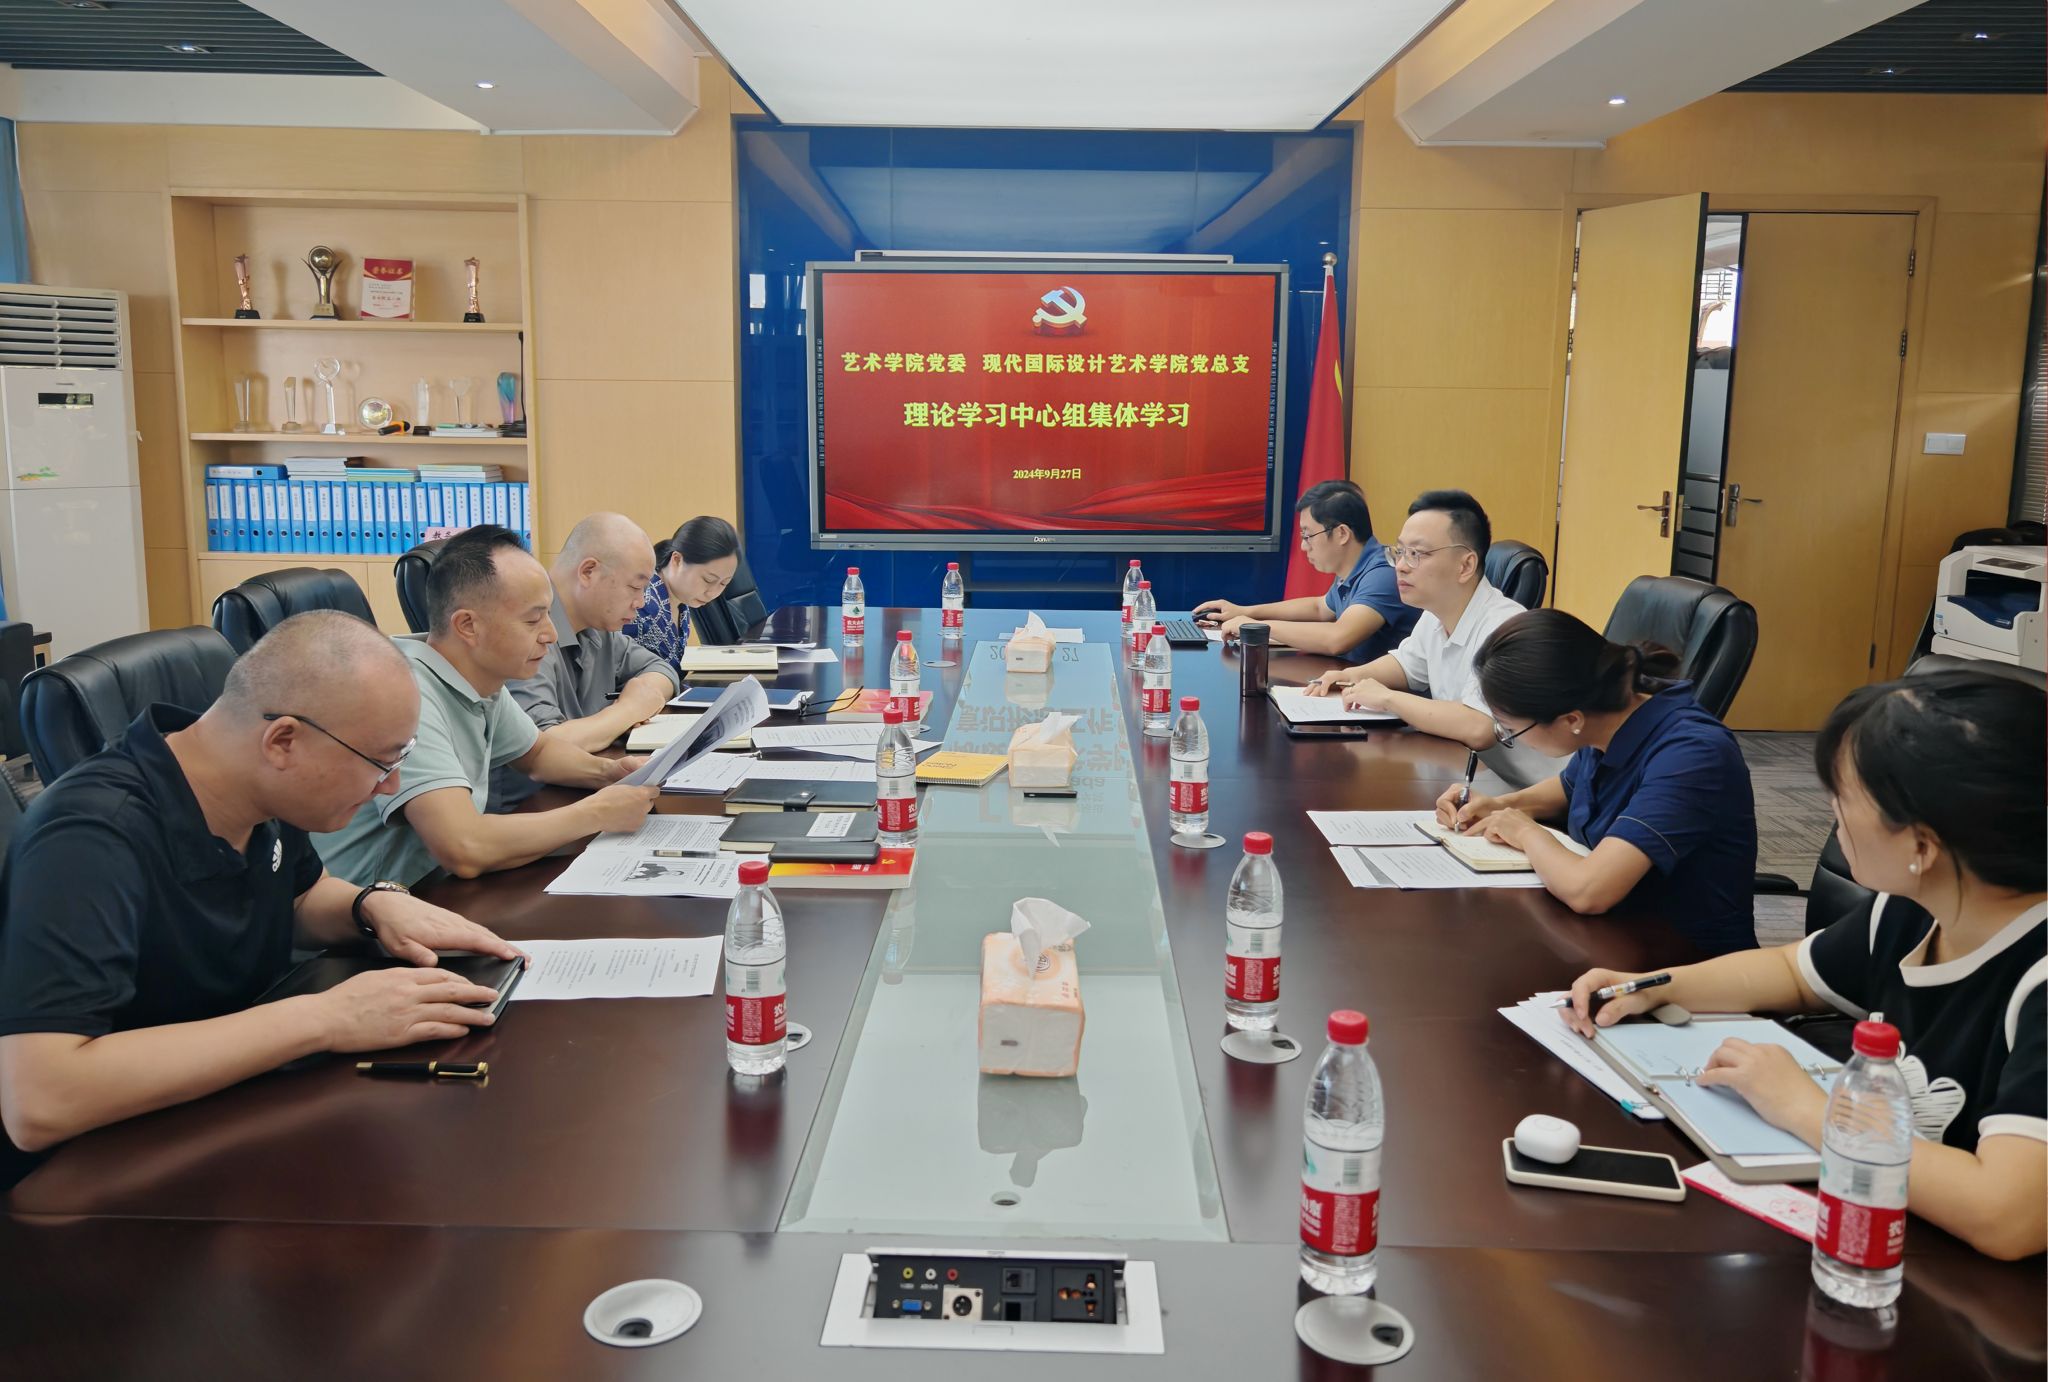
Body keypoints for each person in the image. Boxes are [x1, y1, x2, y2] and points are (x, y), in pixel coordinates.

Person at [0, 611, 523, 1185]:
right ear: (283, 741)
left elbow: (297, 897)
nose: (391, 785)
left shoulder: (259, 788)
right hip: (100, 1176)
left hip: (227, 1109)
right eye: (382, 762)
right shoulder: (89, 838)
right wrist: (326, 1018)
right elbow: (41, 1098)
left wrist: (370, 907)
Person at [1562, 669, 2046, 1261]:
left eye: (1845, 797)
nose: (1832, 812)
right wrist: (1657, 987)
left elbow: (2007, 1215)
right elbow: (1793, 972)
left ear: (1922, 846)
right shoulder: (1915, 909)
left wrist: (1807, 1109)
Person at [314, 524, 660, 887]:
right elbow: (464, 846)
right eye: (532, 620)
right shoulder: (403, 692)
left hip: (436, 891)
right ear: (467, 625)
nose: (551, 634)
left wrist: (609, 773)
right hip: (382, 904)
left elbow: (537, 753)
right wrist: (597, 813)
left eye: (548, 614)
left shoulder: (478, 678)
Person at [1436, 609, 1757, 955]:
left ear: (1571, 719)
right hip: (1610, 936)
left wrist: (1526, 832)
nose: (1511, 737)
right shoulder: (1606, 716)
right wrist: (1500, 806)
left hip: (1682, 959)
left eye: (1512, 730)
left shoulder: (1691, 755)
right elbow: (1572, 787)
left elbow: (1588, 891)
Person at [1302, 490, 1556, 783]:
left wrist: (1387, 698)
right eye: (1399, 552)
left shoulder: (1503, 626)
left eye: (1416, 554)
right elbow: (1406, 665)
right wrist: (1351, 677)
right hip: (1466, 777)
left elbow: (1479, 726)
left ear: (1465, 566)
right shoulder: (1436, 613)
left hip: (1522, 791)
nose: (1401, 566)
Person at [494, 513, 682, 807]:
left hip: (582, 793)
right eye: (635, 587)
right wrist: (629, 709)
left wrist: (642, 694)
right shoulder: (527, 633)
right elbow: (541, 748)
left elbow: (661, 669)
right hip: (529, 810)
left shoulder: (597, 626)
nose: (641, 602)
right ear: (588, 572)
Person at [1194, 480, 1418, 662]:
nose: (1303, 546)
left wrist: (1254, 626)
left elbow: (1337, 638)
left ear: (1342, 534)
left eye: (1308, 535)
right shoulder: (1358, 566)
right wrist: (1244, 611)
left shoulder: (1383, 574)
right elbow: (1320, 608)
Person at [624, 515, 742, 671]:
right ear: (677, 560)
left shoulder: (679, 600)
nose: (712, 593)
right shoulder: (643, 605)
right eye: (708, 580)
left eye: (723, 583)